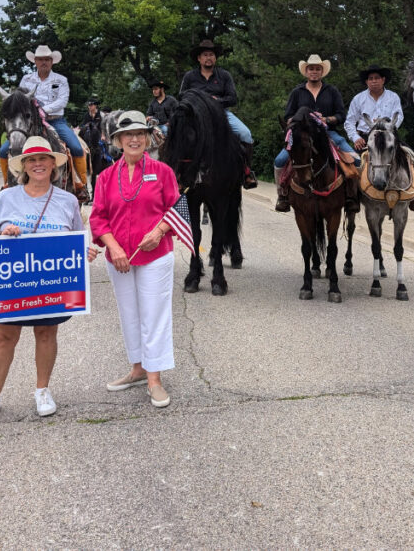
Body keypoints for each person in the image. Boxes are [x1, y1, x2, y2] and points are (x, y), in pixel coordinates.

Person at [0, 136, 99, 424]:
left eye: (43, 159)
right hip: (12, 282)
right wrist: (2, 234)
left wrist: (85, 251)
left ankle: (42, 390)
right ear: (24, 166)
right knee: (5, 337)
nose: (38, 164)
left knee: (46, 333)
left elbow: (75, 240)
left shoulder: (67, 201)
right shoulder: (6, 197)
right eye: (32, 160)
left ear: (54, 164)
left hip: (49, 285)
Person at [90, 111, 181, 408]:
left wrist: (160, 231)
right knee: (129, 313)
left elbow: (177, 210)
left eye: (140, 134)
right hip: (120, 258)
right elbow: (98, 218)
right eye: (127, 135)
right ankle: (137, 368)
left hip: (155, 254)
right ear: (117, 141)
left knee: (154, 314)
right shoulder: (105, 177)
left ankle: (155, 378)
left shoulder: (163, 172)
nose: (134, 139)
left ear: (147, 139)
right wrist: (113, 247)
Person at [274, 54, 359, 213]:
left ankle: (351, 196)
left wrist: (326, 119)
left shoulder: (332, 91)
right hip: (303, 136)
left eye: (317, 69)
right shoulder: (297, 92)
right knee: (280, 160)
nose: (314, 71)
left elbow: (341, 115)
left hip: (328, 133)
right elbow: (287, 117)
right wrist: (299, 119)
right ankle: (282, 195)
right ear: (306, 72)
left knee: (356, 159)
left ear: (322, 72)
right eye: (311, 69)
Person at [0, 45, 88, 196]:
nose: (43, 62)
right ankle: (7, 183)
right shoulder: (26, 79)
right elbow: (19, 101)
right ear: (35, 61)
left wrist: (44, 110)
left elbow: (62, 100)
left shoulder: (61, 80)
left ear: (52, 61)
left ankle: (80, 184)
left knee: (76, 147)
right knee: (3, 151)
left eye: (47, 59)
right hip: (29, 122)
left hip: (55, 121)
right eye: (40, 59)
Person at [344, 64, 414, 211]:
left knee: (413, 157)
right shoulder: (358, 99)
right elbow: (349, 121)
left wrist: (388, 128)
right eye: (370, 79)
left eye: (377, 78)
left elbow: (399, 116)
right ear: (367, 82)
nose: (373, 81)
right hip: (366, 138)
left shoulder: (393, 96)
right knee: (352, 165)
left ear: (383, 80)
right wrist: (355, 138)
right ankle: (353, 198)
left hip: (388, 136)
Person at [179, 39, 257, 189]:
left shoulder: (224, 75)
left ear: (215, 58)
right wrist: (201, 101)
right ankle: (178, 175)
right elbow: (182, 96)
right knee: (177, 135)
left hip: (221, 114)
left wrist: (217, 101)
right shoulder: (189, 76)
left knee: (246, 134)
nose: (209, 58)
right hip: (196, 115)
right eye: (205, 55)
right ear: (199, 58)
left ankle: (246, 172)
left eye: (211, 55)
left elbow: (233, 98)